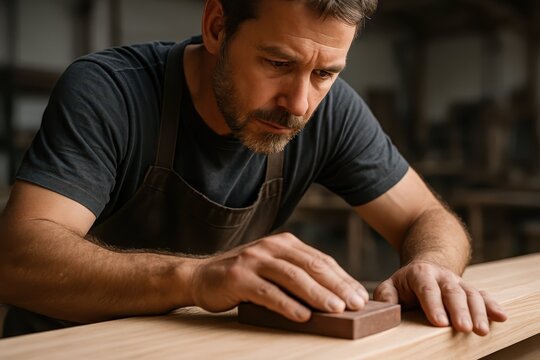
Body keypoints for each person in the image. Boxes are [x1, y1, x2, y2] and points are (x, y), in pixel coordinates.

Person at [0, 0, 507, 338]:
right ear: (217, 27)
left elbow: (427, 216)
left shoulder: (330, 110)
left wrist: (433, 267)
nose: (299, 102)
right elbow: (17, 260)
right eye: (278, 63)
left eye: (325, 73)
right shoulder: (110, 91)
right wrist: (196, 278)